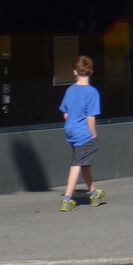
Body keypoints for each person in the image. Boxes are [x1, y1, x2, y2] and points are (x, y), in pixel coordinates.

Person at [58, 55, 106, 211]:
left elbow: (65, 113)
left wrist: (71, 123)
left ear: (74, 72)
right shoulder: (92, 93)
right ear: (91, 72)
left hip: (70, 130)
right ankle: (67, 198)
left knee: (84, 162)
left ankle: (94, 192)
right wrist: (93, 134)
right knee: (77, 164)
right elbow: (90, 117)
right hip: (83, 133)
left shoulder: (70, 90)